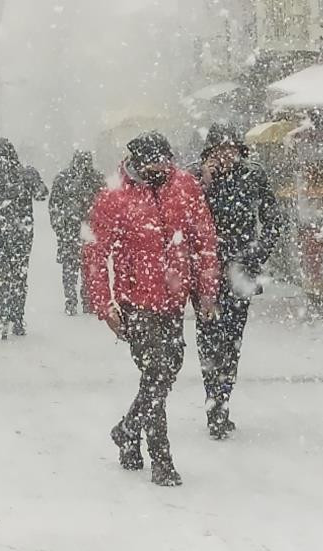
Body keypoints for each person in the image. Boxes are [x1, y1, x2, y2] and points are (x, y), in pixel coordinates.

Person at [84, 131, 219, 486]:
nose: (162, 167)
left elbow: (202, 240)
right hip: (136, 302)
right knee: (157, 372)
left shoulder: (184, 187)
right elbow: (95, 253)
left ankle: (128, 430)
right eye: (154, 162)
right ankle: (162, 459)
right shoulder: (114, 196)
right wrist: (104, 304)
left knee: (167, 370)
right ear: (137, 162)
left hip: (173, 300)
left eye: (166, 161)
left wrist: (206, 291)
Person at [193, 124, 283, 439]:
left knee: (231, 339)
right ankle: (214, 404)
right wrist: (203, 182)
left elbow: (273, 219)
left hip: (241, 270)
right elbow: (181, 217)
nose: (225, 155)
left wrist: (256, 253)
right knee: (209, 338)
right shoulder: (195, 178)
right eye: (219, 150)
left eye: (231, 149)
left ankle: (223, 397)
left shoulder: (253, 176)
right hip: (205, 272)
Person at [0, 138, 46, 339]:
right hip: (21, 234)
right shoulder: (25, 174)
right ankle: (17, 317)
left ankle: (1, 317)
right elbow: (42, 193)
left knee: (0, 274)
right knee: (19, 275)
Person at [49, 150, 105, 315]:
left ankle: (71, 301)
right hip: (87, 230)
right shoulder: (96, 179)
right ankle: (84, 300)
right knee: (87, 266)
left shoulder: (63, 178)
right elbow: (104, 204)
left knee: (70, 268)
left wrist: (59, 225)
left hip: (71, 229)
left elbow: (54, 206)